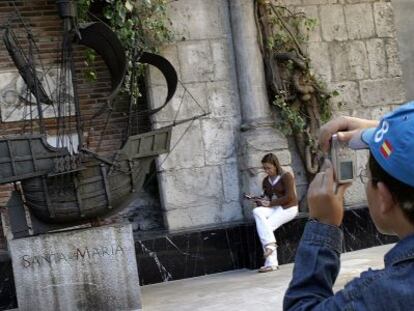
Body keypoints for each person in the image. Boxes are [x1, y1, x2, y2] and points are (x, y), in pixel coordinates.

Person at [283, 102, 414, 310]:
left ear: (384, 198)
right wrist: (390, 129)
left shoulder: (380, 294)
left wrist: (322, 224)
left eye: (367, 176)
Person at [247, 153, 298, 273]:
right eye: (264, 168)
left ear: (276, 166)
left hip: (289, 208)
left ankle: (271, 262)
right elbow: (267, 198)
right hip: (275, 207)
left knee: (266, 227)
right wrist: (259, 201)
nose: (266, 171)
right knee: (257, 211)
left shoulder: (286, 176)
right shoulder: (266, 181)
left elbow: (290, 197)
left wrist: (270, 203)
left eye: (268, 168)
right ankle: (270, 246)